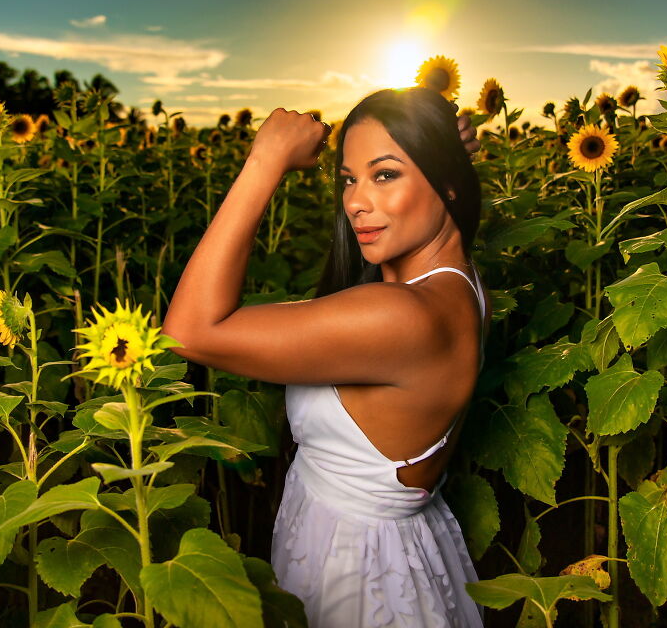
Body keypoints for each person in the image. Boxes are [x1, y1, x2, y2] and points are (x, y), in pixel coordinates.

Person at [161, 86, 488, 627]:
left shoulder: (401, 319)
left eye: (385, 175)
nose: (356, 201)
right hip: (383, 554)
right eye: (349, 178)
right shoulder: (458, 288)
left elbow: (189, 332)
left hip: (358, 578)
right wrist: (430, 148)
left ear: (447, 182)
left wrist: (265, 160)